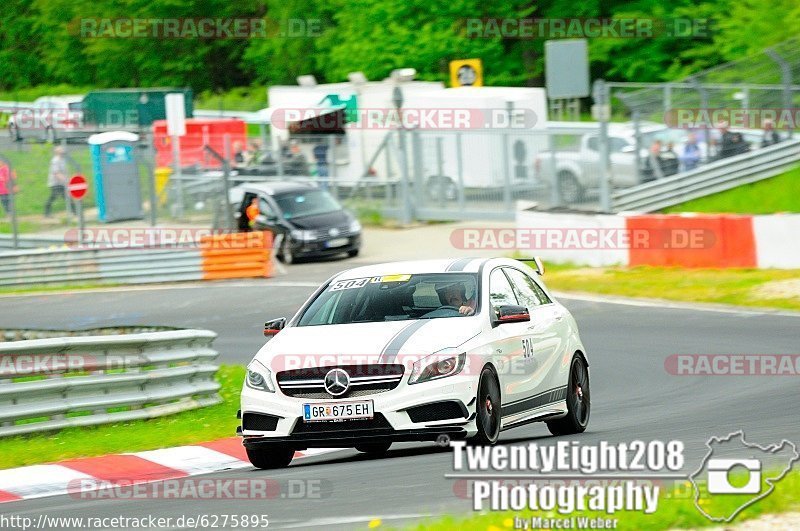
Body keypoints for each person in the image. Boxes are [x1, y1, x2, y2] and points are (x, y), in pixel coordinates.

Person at [44, 146, 72, 217]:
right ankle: (47, 212)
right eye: (61, 151)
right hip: (55, 183)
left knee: (66, 197)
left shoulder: (62, 160)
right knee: (54, 196)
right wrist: (66, 180)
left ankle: (74, 211)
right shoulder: (55, 160)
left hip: (62, 183)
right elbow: (56, 173)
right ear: (57, 152)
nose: (63, 152)